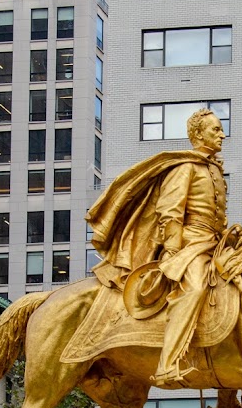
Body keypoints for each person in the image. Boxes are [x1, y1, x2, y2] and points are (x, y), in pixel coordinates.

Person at [85, 108, 228, 386]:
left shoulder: (213, 168)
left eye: (221, 129)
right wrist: (175, 252)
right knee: (194, 289)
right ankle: (168, 363)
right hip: (190, 244)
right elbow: (170, 212)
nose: (222, 134)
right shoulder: (185, 167)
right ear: (198, 134)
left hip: (215, 243)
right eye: (216, 130)